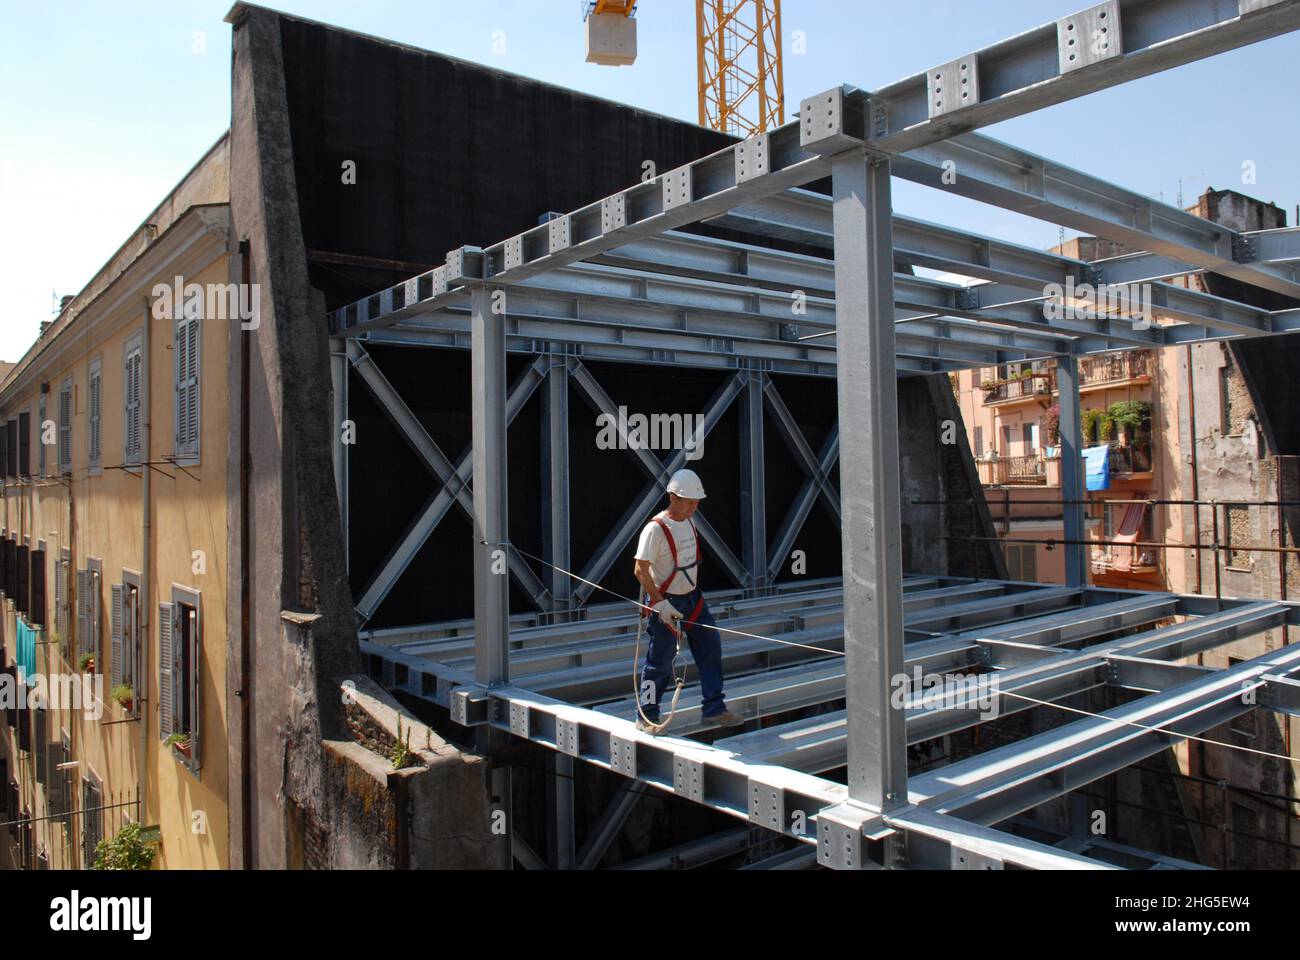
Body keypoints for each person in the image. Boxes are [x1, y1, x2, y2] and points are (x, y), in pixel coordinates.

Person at [632, 468, 743, 733]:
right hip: (666, 600)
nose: (695, 508)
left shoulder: (689, 521)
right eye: (690, 502)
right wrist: (659, 603)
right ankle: (646, 714)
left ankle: (713, 708)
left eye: (697, 503)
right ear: (673, 497)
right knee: (661, 657)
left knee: (710, 647)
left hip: (692, 599)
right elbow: (639, 569)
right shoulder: (655, 530)